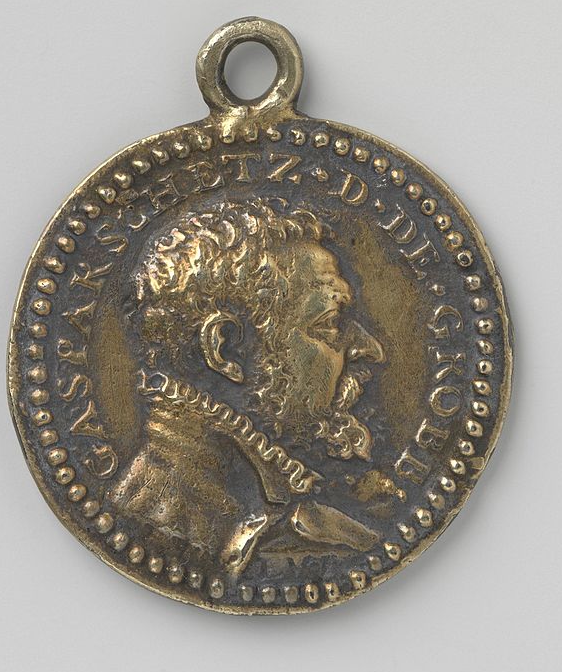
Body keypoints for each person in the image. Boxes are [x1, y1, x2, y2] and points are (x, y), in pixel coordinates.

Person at [107, 198, 386, 572]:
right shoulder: (177, 527)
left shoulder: (256, 507)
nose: (369, 350)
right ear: (226, 350)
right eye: (329, 325)